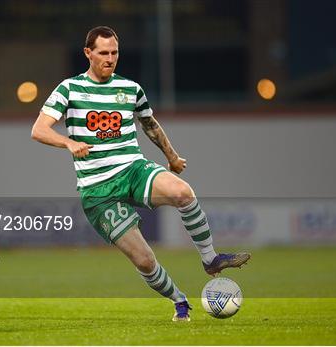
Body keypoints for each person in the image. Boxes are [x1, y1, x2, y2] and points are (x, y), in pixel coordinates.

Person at [31, 26, 250, 321]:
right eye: (103, 53)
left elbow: (150, 124)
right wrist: (68, 142)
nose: (110, 59)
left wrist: (171, 156)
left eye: (115, 53)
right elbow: (39, 129)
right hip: (98, 191)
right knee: (145, 260)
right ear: (88, 53)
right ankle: (179, 300)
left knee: (182, 192)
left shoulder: (131, 89)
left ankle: (211, 259)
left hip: (133, 169)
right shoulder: (69, 89)